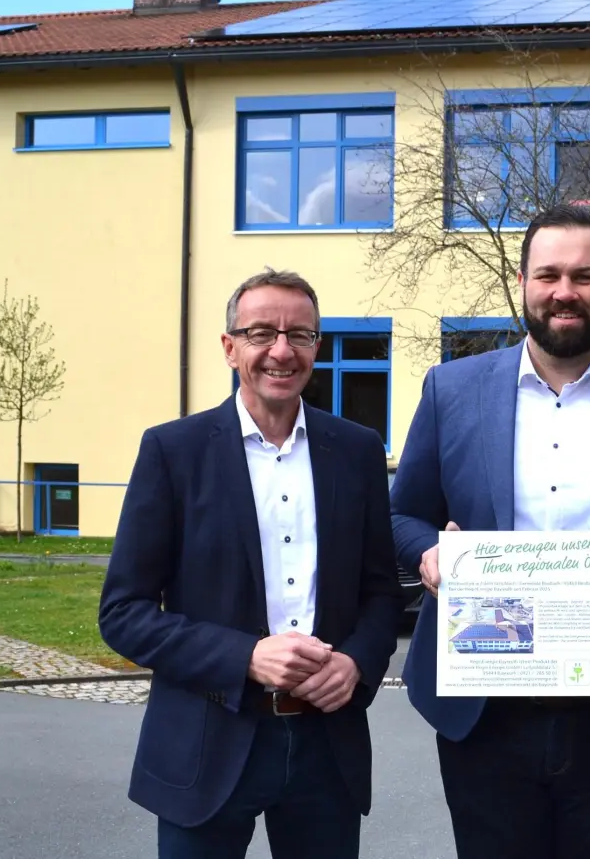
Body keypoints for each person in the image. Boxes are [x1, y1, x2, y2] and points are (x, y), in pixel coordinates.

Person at [389, 203, 590, 858]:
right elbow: (402, 514)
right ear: (522, 283)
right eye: (548, 275)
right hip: (484, 712)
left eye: (583, 276)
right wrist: (430, 552)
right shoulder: (450, 391)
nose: (564, 291)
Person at [98, 268, 403, 859]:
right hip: (208, 740)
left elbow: (381, 592)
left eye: (302, 335)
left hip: (325, 744)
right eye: (262, 332)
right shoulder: (173, 451)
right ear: (230, 347)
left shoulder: (358, 450)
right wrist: (247, 657)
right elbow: (124, 613)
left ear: (318, 347)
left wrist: (358, 664)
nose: (282, 351)